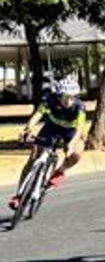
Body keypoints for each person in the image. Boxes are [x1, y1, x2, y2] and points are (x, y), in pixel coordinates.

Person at [9, 77, 87, 209]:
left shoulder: (80, 107)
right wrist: (28, 129)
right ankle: (19, 195)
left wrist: (71, 145)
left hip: (70, 132)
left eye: (72, 97)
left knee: (78, 152)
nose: (69, 100)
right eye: (66, 97)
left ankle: (60, 171)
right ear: (59, 94)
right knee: (33, 157)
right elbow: (37, 115)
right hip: (51, 128)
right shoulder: (49, 99)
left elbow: (79, 130)